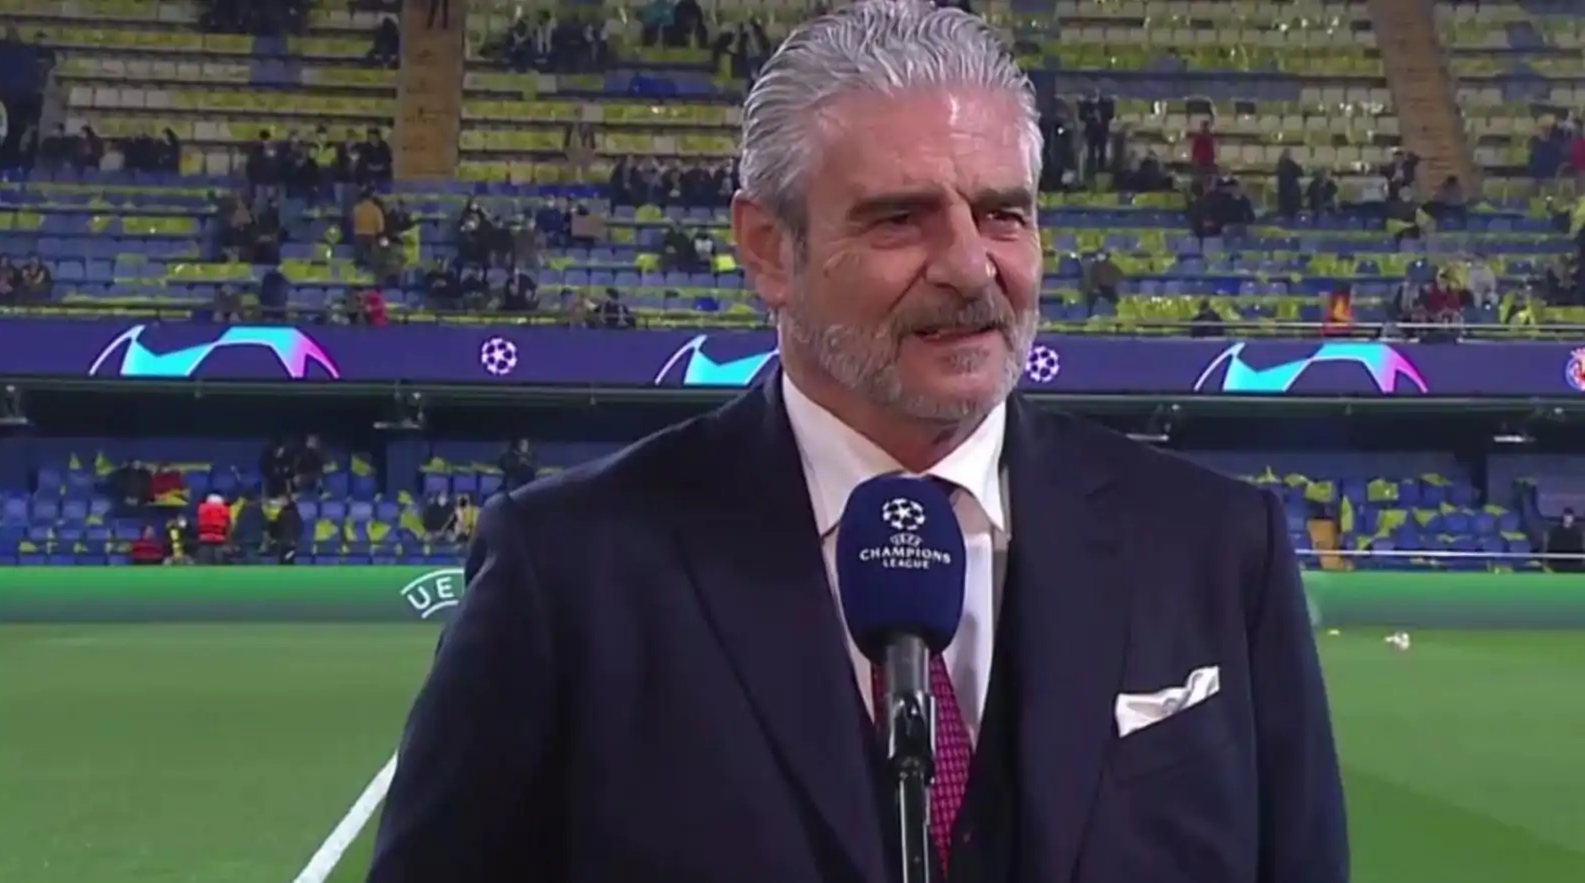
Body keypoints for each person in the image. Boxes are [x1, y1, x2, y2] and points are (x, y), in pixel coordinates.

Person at [366, 3, 1348, 883]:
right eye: (899, 219)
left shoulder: (1216, 547)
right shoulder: (569, 574)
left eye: (1002, 213)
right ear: (768, 248)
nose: (970, 266)